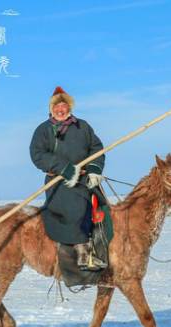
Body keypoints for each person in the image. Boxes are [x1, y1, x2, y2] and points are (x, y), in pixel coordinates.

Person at [29, 86, 106, 269]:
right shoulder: (43, 130)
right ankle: (82, 255)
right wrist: (64, 169)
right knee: (76, 208)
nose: (60, 110)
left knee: (105, 210)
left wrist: (95, 169)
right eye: (56, 106)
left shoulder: (83, 126)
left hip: (84, 181)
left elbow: (96, 148)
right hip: (58, 183)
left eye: (63, 106)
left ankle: (106, 251)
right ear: (51, 109)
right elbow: (37, 154)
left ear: (69, 108)